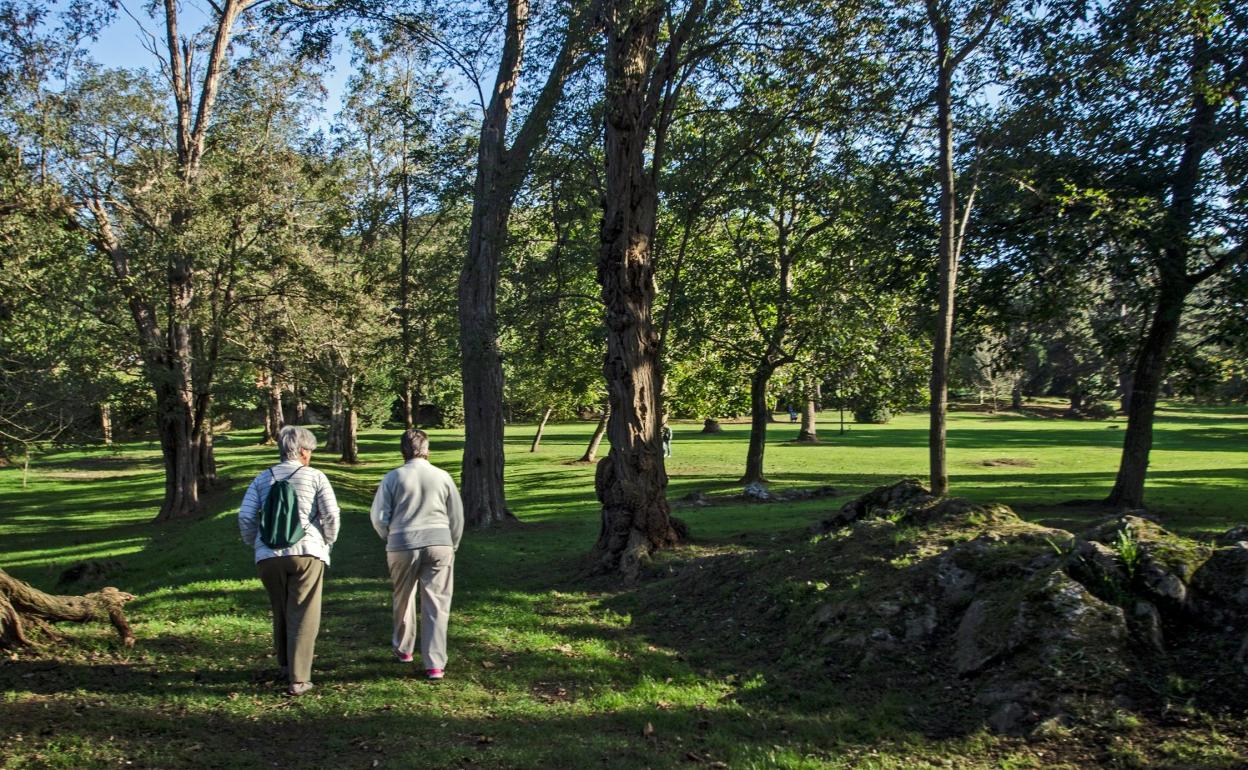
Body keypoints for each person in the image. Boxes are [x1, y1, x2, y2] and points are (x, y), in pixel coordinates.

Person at [238, 426, 340, 697]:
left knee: (281, 608)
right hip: (307, 553)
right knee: (304, 614)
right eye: (311, 451)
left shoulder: (262, 478)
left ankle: (284, 664)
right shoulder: (316, 477)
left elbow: (246, 516)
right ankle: (299, 678)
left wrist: (256, 543)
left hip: (268, 557)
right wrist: (327, 541)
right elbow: (331, 514)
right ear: (304, 451)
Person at [370, 429, 463, 680]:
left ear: (403, 451)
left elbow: (379, 517)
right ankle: (434, 663)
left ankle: (404, 648)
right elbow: (456, 516)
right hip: (439, 543)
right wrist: (452, 543)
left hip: (402, 543)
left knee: (403, 597)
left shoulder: (392, 477)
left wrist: (389, 536)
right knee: (437, 602)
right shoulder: (442, 477)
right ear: (427, 450)